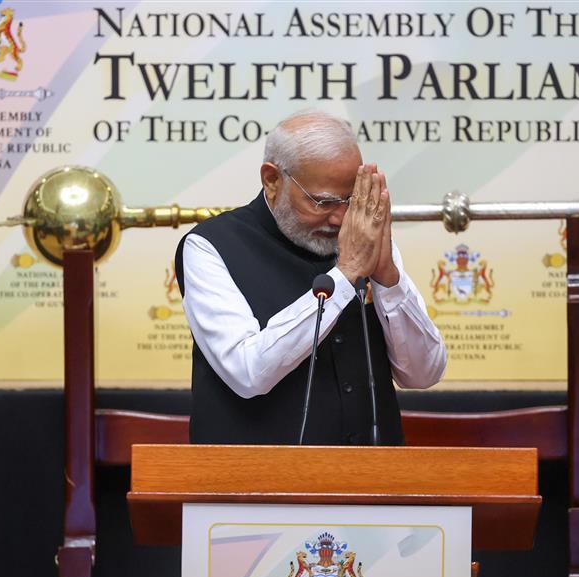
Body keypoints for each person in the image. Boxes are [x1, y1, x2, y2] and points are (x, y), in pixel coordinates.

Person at [175, 110, 446, 445]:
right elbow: (247, 372)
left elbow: (424, 373)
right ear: (272, 180)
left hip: (373, 482)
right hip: (253, 484)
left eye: (351, 199)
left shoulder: (362, 236)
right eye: (324, 202)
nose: (340, 218)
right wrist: (346, 274)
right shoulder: (210, 246)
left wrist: (388, 278)